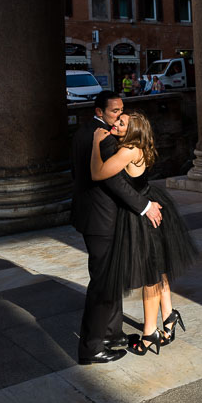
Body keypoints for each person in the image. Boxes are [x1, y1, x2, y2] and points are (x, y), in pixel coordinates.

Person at [91, 111, 198, 356]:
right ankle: (169, 317)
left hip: (140, 216)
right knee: (158, 268)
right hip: (151, 202)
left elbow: (98, 173)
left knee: (149, 274)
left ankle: (149, 335)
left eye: (122, 122)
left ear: (133, 130)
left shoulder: (128, 150)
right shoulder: (142, 145)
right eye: (117, 119)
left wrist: (97, 143)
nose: (116, 123)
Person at [71, 91, 163, 365]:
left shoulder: (83, 131)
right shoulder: (105, 138)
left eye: (122, 110)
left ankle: (112, 333)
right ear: (99, 111)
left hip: (91, 215)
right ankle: (92, 347)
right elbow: (114, 183)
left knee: (108, 279)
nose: (119, 116)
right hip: (103, 220)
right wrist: (145, 206)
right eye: (114, 112)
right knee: (102, 284)